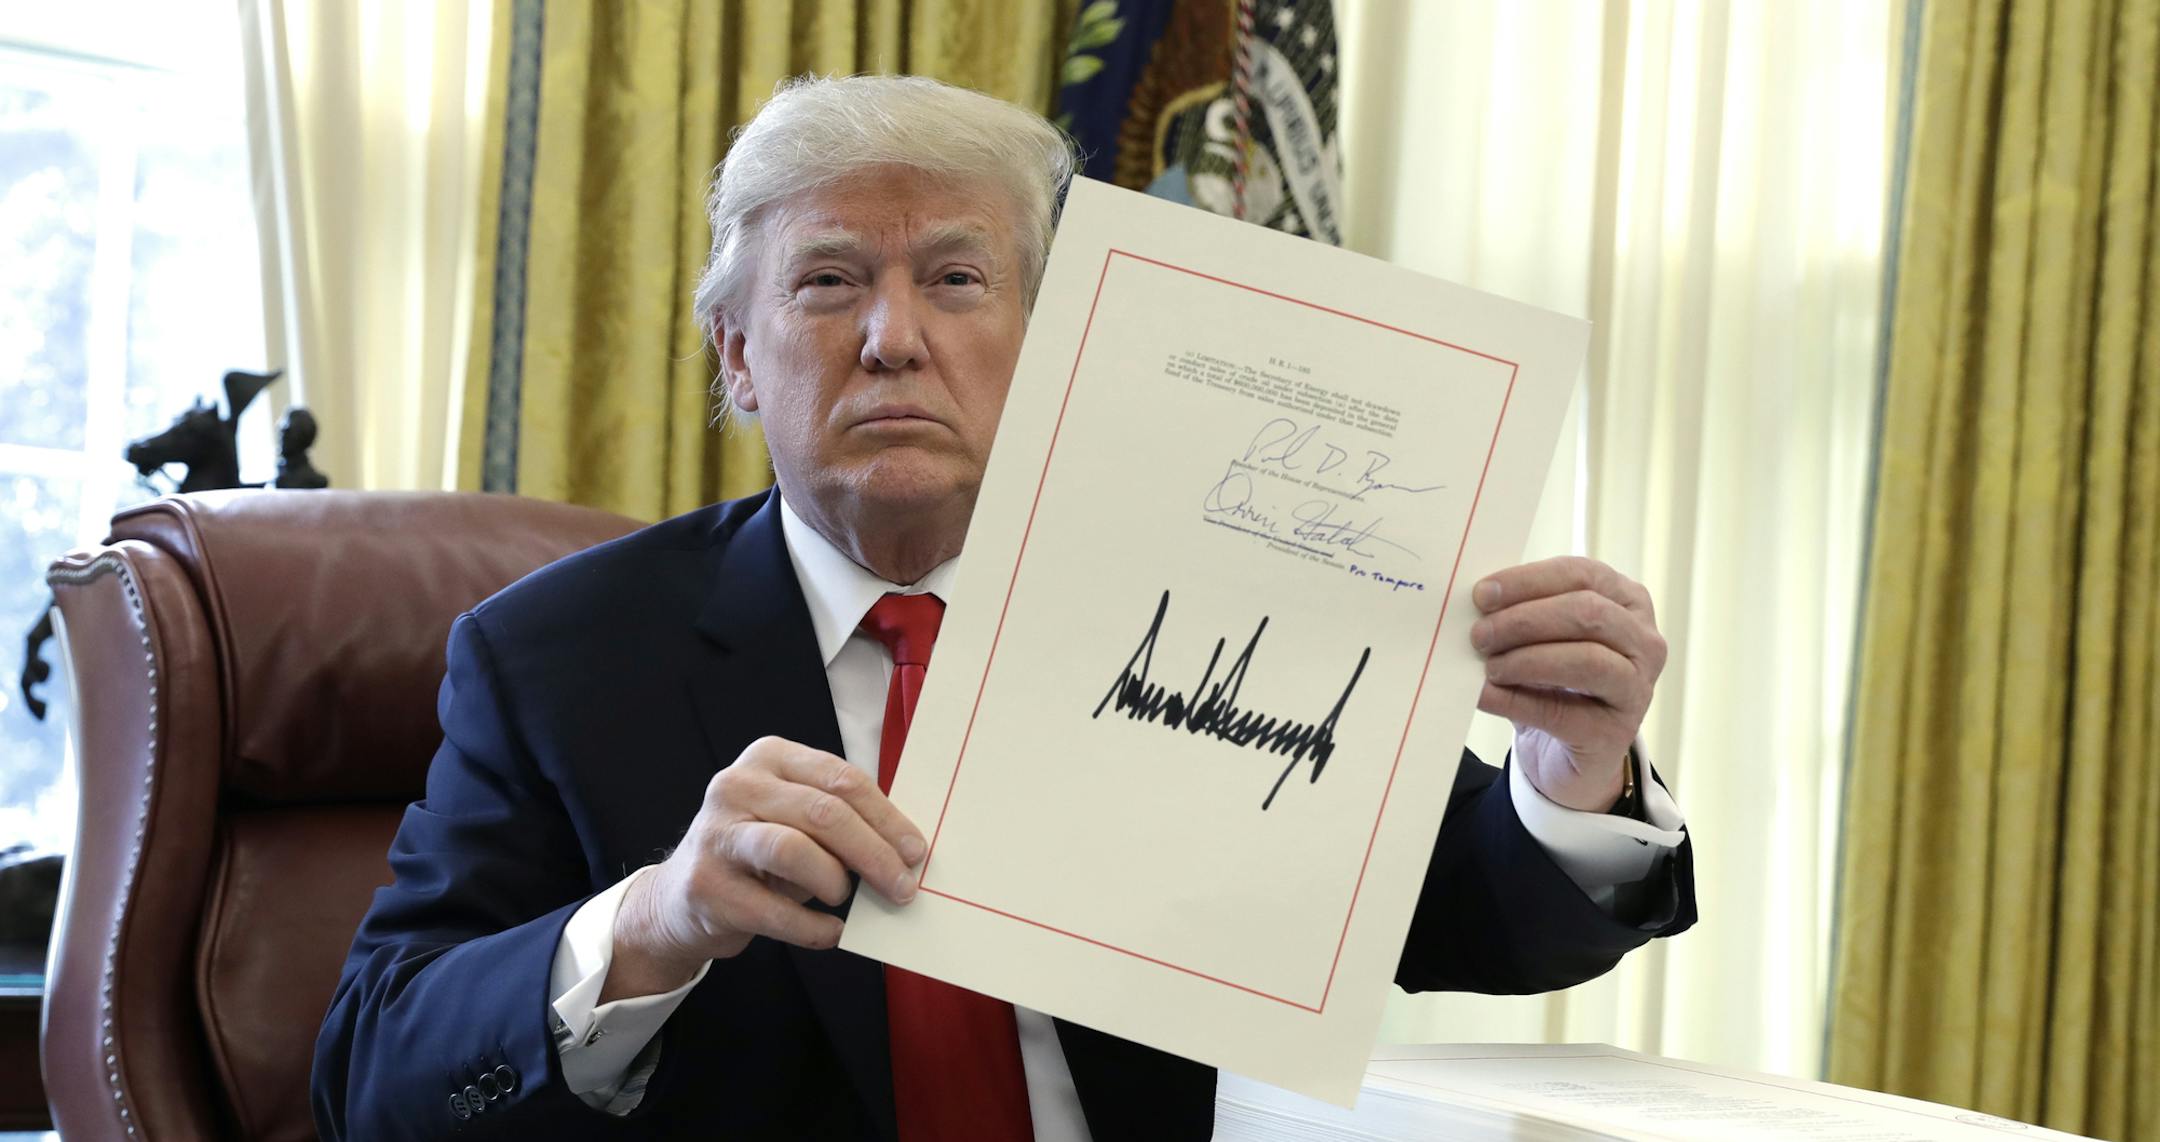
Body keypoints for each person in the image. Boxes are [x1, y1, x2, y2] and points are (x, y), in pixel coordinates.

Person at [312, 74, 1695, 1142]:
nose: (893, 335)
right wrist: (657, 918)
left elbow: (1467, 911)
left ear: (1052, 346)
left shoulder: (1208, 605)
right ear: (738, 356)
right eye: (829, 280)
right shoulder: (557, 658)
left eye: (957, 280)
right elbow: (371, 1075)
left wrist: (1573, 774)